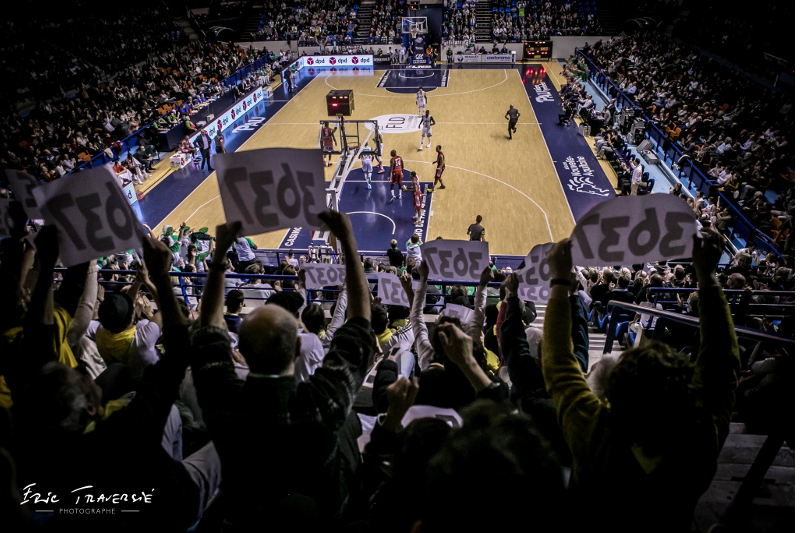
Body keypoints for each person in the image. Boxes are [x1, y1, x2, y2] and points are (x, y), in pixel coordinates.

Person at [540, 230, 740, 531]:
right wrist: (708, 278)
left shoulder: (594, 433)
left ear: (610, 399)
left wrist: (558, 282)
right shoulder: (701, 439)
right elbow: (723, 363)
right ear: (687, 394)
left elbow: (556, 363)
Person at [189, 210, 373, 529]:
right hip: (321, 513)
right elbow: (360, 323)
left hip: (245, 515)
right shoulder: (322, 402)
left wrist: (218, 257)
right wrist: (347, 240)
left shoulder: (219, 396)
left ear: (239, 351)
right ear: (299, 347)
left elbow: (208, 328)